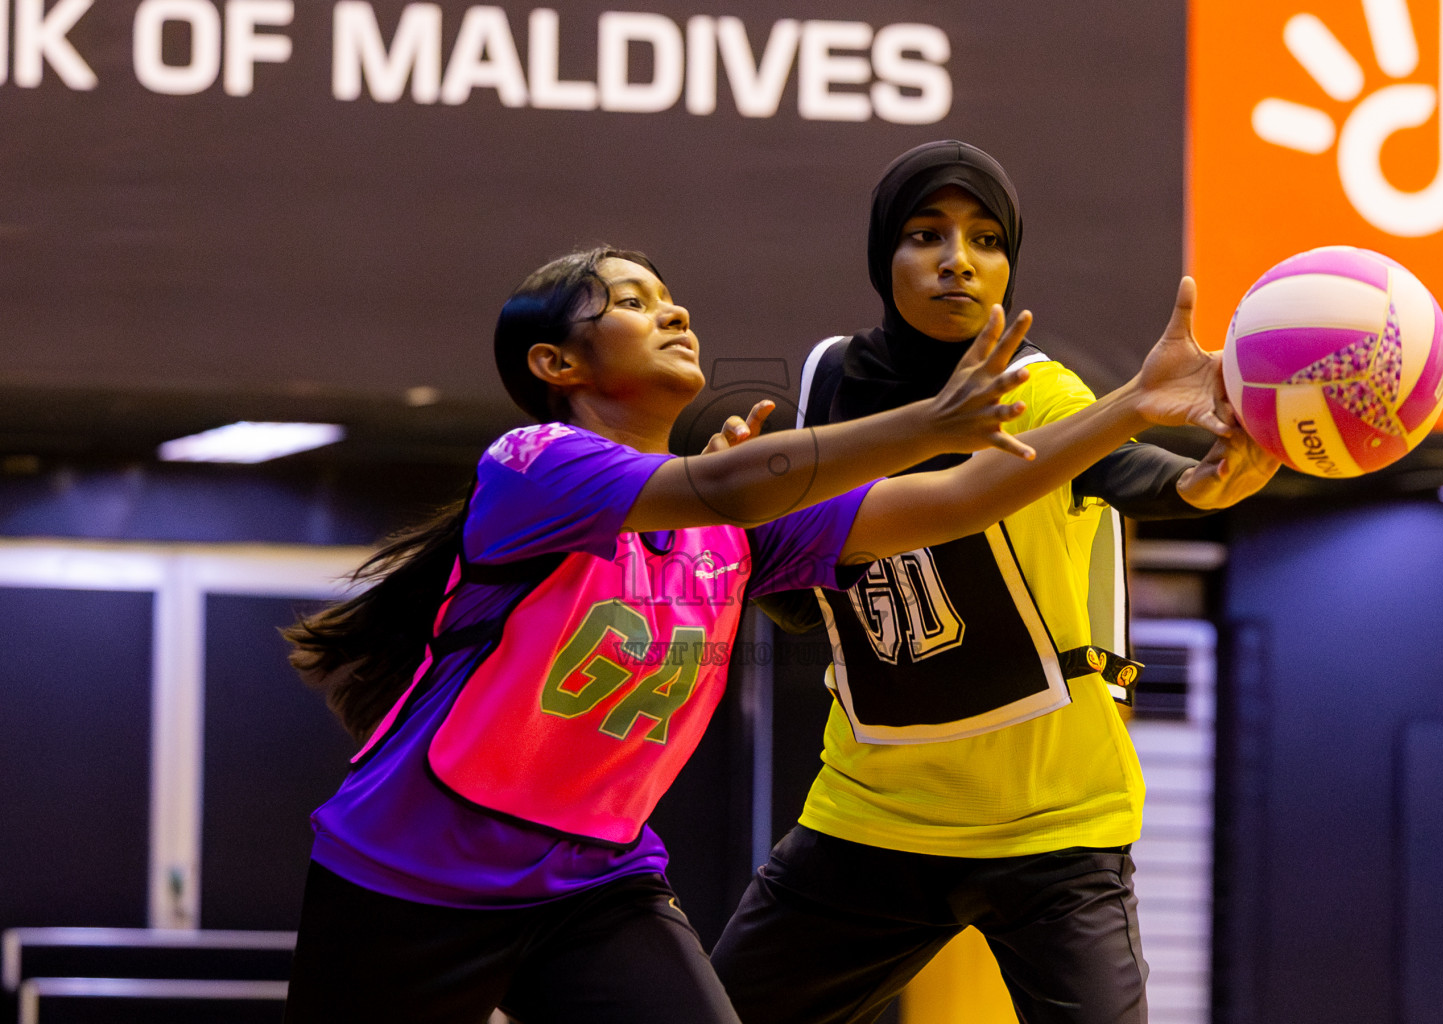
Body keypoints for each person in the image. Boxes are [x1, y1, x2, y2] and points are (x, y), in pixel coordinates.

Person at [278, 243, 1231, 1024]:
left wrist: (1131, 406)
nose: (674, 312)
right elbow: (733, 484)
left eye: (670, 297)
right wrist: (933, 420)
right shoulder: (535, 465)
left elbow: (959, 499)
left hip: (593, 881)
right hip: (413, 873)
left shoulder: (727, 527)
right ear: (555, 365)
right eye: (633, 302)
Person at [709, 141, 1279, 1024]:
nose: (958, 261)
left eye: (986, 240)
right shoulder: (829, 380)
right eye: (926, 235)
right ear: (882, 254)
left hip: (1054, 827)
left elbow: (1118, 468)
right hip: (873, 816)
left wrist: (1197, 486)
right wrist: (747, 522)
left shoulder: (1040, 390)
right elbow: (799, 610)